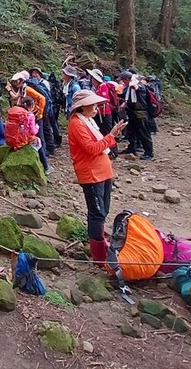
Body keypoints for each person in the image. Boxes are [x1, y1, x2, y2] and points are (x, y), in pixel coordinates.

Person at [67, 90, 127, 266]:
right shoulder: (77, 124)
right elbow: (91, 148)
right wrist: (112, 135)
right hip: (91, 174)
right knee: (97, 213)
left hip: (103, 171)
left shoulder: (89, 121)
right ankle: (99, 254)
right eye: (92, 104)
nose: (95, 107)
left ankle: (100, 241)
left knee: (104, 210)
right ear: (82, 106)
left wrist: (112, 135)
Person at [8, 70, 51, 175]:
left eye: (16, 81)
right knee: (33, 135)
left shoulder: (27, 89)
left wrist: (40, 113)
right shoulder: (22, 89)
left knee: (39, 137)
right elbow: (16, 98)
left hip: (35, 115)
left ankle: (44, 160)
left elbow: (42, 98)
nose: (15, 83)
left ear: (21, 80)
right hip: (30, 115)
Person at [117, 71, 154, 160]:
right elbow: (126, 96)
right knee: (131, 132)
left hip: (140, 113)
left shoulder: (138, 86)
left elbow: (136, 87)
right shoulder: (129, 88)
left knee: (144, 133)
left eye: (123, 80)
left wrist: (133, 84)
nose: (122, 82)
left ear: (127, 79)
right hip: (132, 113)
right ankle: (131, 149)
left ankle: (149, 152)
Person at [87, 69, 119, 157]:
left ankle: (113, 151)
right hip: (99, 113)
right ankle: (106, 150)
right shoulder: (97, 88)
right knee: (101, 132)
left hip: (105, 113)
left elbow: (104, 99)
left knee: (108, 131)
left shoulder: (103, 86)